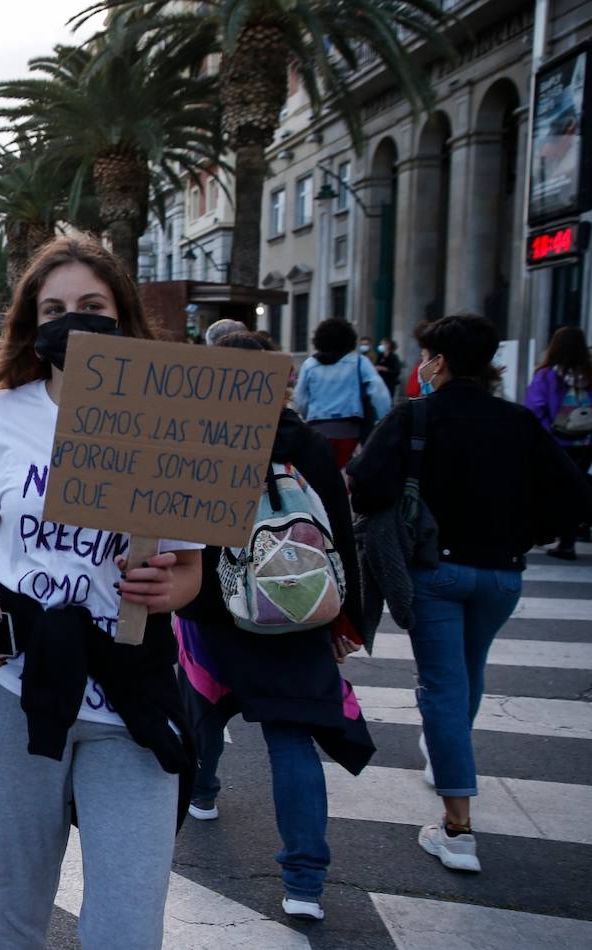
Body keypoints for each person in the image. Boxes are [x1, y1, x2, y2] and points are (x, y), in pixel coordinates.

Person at [0, 234, 202, 949]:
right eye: (54, 308)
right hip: (16, 688)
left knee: (129, 926)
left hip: (129, 688)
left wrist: (170, 585)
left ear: (123, 315)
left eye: (91, 305)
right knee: (15, 914)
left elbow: (191, 569)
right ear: (32, 323)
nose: (71, 319)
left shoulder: (169, 418)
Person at [349, 314, 592, 874]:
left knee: (441, 686)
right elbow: (576, 496)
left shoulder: (416, 416)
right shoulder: (518, 421)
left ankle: (457, 829)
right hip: (503, 575)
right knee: (467, 673)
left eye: (425, 356)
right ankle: (444, 753)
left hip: (439, 573)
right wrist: (524, 534)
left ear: (438, 360)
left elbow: (364, 485)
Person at [175, 330, 373, 923]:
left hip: (213, 609)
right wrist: (346, 616)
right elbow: (340, 528)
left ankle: (205, 791)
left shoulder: (198, 438)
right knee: (292, 739)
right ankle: (304, 881)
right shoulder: (307, 443)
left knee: (203, 708)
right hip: (297, 607)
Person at [524, 326, 592, 559]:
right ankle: (568, 540)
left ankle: (546, 533)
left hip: (555, 441)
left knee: (547, 488)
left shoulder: (547, 375)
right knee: (575, 488)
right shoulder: (588, 373)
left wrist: (544, 436)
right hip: (585, 441)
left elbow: (535, 408)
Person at [292, 317, 393, 468]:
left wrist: (308, 414)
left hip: (317, 427)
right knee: (341, 469)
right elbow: (379, 393)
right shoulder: (359, 362)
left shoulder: (309, 364)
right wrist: (382, 419)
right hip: (349, 430)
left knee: (321, 471)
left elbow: (300, 398)